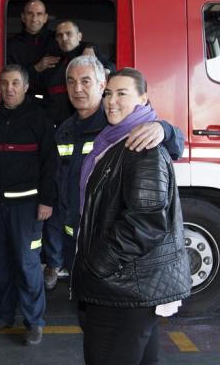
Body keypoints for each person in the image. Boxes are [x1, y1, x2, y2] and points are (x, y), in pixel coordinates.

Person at [72, 67, 191, 365]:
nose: (111, 101)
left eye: (122, 93)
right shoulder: (115, 138)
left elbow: (146, 221)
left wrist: (98, 263)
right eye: (108, 93)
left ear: (143, 99)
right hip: (129, 285)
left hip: (123, 287)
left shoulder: (142, 146)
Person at [45, 55, 184, 291]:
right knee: (88, 317)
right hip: (74, 240)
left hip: (108, 247)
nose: (77, 88)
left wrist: (165, 129)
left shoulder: (118, 122)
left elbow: (169, 146)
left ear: (101, 85)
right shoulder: (64, 130)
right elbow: (60, 186)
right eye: (71, 81)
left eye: (86, 81)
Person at [0, 64, 57, 346]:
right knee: (0, 265)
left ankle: (34, 321)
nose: (9, 89)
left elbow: (50, 163)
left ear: (26, 87)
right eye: (4, 84)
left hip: (27, 208)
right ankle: (3, 316)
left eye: (15, 83)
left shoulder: (39, 118)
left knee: (27, 265)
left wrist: (47, 201)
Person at [39, 20, 115, 126]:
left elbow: (111, 68)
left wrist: (91, 48)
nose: (64, 38)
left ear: (79, 36)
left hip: (85, 122)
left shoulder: (90, 56)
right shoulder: (52, 61)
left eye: (68, 33)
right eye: (59, 35)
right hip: (55, 124)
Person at [6, 0, 58, 95]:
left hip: (52, 101)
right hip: (24, 100)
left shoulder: (57, 38)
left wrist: (90, 47)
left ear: (45, 18)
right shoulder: (11, 45)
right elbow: (9, 76)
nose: (34, 19)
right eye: (30, 13)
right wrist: (36, 68)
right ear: (23, 17)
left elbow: (76, 45)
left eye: (39, 14)